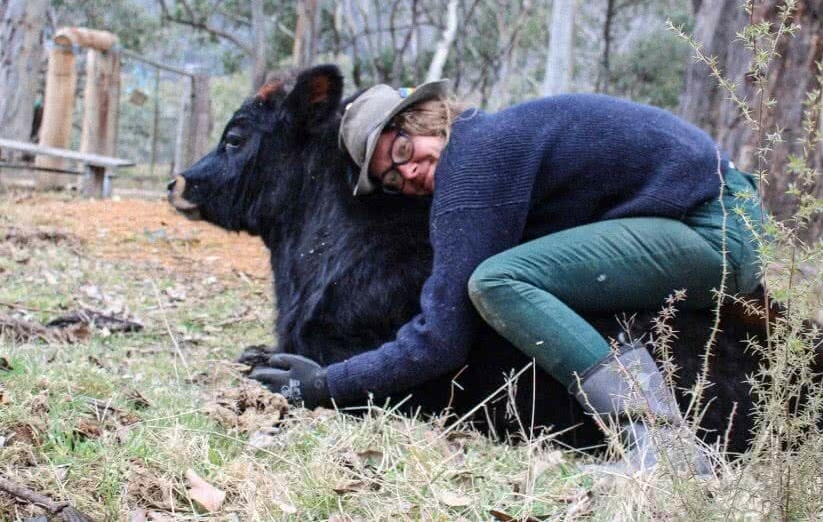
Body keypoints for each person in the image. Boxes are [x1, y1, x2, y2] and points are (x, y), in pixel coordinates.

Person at [251, 80, 765, 475]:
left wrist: (326, 385)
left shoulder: (475, 160)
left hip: (713, 230)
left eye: (403, 151)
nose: (406, 174)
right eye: (391, 177)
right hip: (712, 221)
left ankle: (660, 441)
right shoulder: (495, 141)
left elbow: (441, 341)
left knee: (496, 283)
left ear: (427, 119)